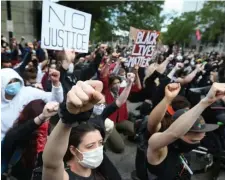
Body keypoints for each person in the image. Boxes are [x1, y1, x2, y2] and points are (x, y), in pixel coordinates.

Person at [42, 80, 121, 180]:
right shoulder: (64, 176)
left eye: (100, 143)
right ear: (73, 150)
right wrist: (68, 118)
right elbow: (51, 166)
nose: (98, 149)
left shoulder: (102, 168)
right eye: (90, 146)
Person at [146, 82, 225, 180]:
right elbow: (164, 130)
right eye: (193, 140)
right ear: (181, 133)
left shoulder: (181, 150)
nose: (201, 139)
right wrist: (205, 102)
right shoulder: (160, 149)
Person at [1, 100, 59, 180]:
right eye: (44, 120)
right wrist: (41, 117)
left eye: (48, 119)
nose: (46, 123)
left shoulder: (45, 140)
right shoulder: (15, 137)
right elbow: (20, 132)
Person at [1, 68, 63, 140]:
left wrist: (56, 83)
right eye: (10, 82)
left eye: (15, 80)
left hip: (26, 139)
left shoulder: (28, 92)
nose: (13, 84)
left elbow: (56, 100)